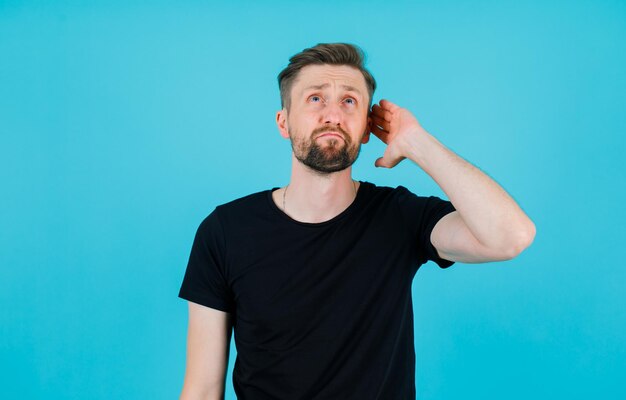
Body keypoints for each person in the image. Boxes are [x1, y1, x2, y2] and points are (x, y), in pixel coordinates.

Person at [178, 43, 536, 400]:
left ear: (367, 128)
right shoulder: (225, 231)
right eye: (315, 99)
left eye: (349, 101)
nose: (333, 115)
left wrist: (417, 143)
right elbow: (202, 390)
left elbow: (510, 236)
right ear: (283, 122)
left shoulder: (400, 216)